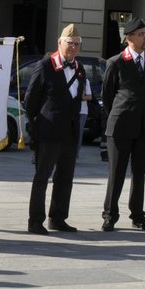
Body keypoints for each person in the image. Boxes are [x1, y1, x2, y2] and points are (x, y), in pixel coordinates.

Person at [24, 24, 87, 235]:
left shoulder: (80, 69)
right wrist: (37, 126)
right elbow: (30, 100)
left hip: (70, 132)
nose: (74, 48)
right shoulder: (45, 66)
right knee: (42, 176)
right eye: (70, 43)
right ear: (59, 43)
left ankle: (58, 217)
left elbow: (77, 101)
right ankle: (35, 220)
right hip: (48, 131)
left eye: (78, 44)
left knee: (65, 177)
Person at [100, 16, 145, 232]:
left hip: (144, 126)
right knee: (116, 173)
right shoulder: (116, 62)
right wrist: (117, 115)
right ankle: (110, 215)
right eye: (142, 34)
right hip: (121, 126)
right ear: (130, 38)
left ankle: (137, 215)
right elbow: (107, 96)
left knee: (139, 173)